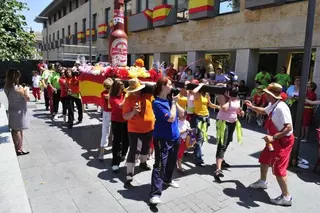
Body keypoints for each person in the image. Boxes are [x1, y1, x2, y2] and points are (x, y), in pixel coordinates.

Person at [245, 83, 294, 206]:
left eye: (266, 92)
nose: (264, 94)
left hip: (283, 141)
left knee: (278, 169)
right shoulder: (273, 104)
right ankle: (262, 181)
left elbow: (289, 128)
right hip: (274, 140)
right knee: (264, 159)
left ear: (271, 94)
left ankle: (287, 197)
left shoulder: (281, 108)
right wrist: (252, 106)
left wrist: (273, 137)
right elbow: (264, 111)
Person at [149, 77, 184, 205]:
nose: (172, 86)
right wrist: (173, 104)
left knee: (171, 162)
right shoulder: (157, 103)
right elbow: (170, 118)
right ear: (163, 87)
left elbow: (182, 114)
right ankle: (155, 194)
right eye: (169, 84)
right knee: (159, 165)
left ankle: (168, 179)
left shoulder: (170, 100)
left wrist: (175, 102)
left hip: (175, 137)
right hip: (162, 139)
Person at [123, 78, 155, 186]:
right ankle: (129, 173)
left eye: (138, 89)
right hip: (134, 129)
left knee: (146, 147)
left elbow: (154, 85)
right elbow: (125, 116)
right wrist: (133, 112)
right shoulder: (128, 99)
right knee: (133, 150)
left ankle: (143, 163)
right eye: (135, 90)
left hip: (149, 128)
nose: (137, 91)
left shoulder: (147, 95)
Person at [214, 83, 244, 181]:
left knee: (228, 141)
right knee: (222, 143)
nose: (235, 90)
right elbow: (224, 108)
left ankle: (221, 160)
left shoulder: (237, 98)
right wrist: (230, 99)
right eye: (234, 89)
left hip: (233, 122)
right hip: (223, 122)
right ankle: (218, 169)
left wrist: (240, 112)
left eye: (236, 89)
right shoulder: (223, 97)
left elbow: (236, 109)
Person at [192, 81, 219, 166]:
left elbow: (209, 104)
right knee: (199, 138)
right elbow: (194, 91)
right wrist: (201, 85)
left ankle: (196, 153)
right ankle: (198, 158)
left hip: (206, 117)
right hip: (199, 117)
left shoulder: (206, 95)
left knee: (202, 137)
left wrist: (218, 107)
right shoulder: (198, 94)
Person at [4, 69, 30, 156]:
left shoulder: (6, 87)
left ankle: (16, 147)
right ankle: (20, 149)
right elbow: (27, 99)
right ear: (16, 77)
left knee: (14, 130)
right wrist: (26, 90)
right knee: (19, 130)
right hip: (20, 111)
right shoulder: (18, 88)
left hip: (12, 109)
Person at [109, 79, 129, 172]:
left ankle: (123, 154)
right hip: (116, 121)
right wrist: (127, 96)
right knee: (117, 141)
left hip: (125, 120)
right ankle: (115, 163)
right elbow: (121, 105)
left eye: (123, 88)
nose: (122, 90)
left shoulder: (123, 95)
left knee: (126, 139)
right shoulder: (112, 97)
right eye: (121, 88)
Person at [98, 78, 114, 160]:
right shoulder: (104, 93)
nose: (108, 89)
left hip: (114, 113)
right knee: (105, 131)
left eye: (110, 87)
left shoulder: (114, 93)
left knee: (115, 131)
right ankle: (102, 151)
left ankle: (114, 148)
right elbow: (106, 99)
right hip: (107, 113)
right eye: (107, 87)